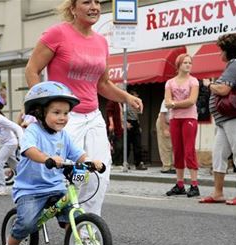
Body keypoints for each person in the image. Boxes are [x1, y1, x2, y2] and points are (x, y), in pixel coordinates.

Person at [25, 0, 143, 216]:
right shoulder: (57, 34)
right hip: (66, 117)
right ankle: (57, 208)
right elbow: (32, 69)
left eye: (97, 2)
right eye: (87, 2)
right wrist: (43, 107)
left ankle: (88, 221)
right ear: (73, 8)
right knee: (67, 172)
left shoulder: (101, 42)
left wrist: (126, 97)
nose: (94, 6)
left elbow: (103, 84)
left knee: (98, 171)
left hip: (93, 115)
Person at [1, 81, 104, 245]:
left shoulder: (63, 136)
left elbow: (77, 153)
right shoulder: (33, 130)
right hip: (30, 189)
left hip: (56, 186)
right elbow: (29, 150)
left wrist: (90, 161)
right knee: (27, 223)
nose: (62, 118)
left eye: (65, 113)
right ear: (40, 112)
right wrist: (47, 158)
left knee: (71, 214)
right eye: (56, 112)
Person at [200, 33, 236, 205]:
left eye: (221, 50)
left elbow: (224, 90)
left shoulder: (235, 64)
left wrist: (209, 85)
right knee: (219, 154)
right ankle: (218, 192)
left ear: (229, 51)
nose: (219, 54)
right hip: (226, 119)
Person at [164, 53, 200, 198]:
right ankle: (180, 185)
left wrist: (174, 104)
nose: (188, 65)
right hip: (175, 119)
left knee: (189, 150)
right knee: (177, 151)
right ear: (178, 65)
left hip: (189, 118)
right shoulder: (170, 83)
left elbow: (191, 101)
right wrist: (173, 104)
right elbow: (167, 101)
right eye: (185, 62)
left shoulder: (194, 81)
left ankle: (194, 185)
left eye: (190, 63)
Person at [126, 88, 147, 170]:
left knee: (138, 144)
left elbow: (137, 115)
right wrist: (125, 123)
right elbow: (123, 113)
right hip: (128, 122)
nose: (137, 96)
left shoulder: (136, 104)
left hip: (135, 123)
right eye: (135, 94)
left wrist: (139, 125)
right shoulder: (126, 103)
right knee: (127, 144)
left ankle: (138, 163)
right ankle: (125, 162)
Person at [156, 99, 175, 174]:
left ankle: (171, 166)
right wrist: (164, 129)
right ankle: (166, 167)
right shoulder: (167, 100)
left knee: (172, 145)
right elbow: (162, 114)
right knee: (165, 145)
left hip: (172, 123)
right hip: (163, 122)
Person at [105, 100, 123, 166]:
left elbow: (121, 115)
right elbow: (109, 113)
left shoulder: (120, 102)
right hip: (114, 127)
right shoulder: (112, 101)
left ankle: (118, 162)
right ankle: (113, 161)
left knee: (119, 146)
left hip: (119, 127)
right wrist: (111, 123)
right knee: (115, 145)